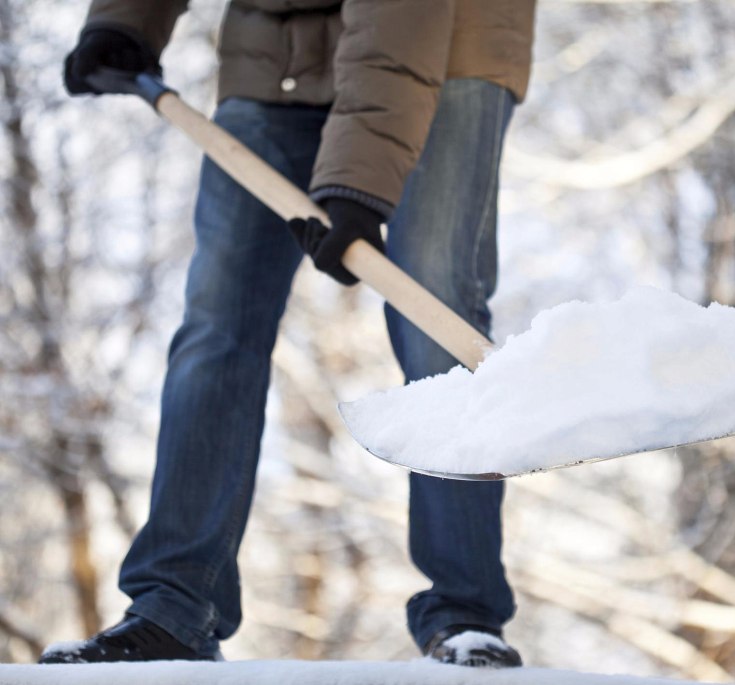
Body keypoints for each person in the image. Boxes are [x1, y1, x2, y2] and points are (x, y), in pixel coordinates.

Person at [40, 0, 535, 669]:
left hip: (446, 39)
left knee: (434, 316)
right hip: (273, 51)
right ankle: (177, 606)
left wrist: (357, 181)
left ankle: (466, 613)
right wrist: (127, 18)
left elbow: (402, 20)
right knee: (216, 323)